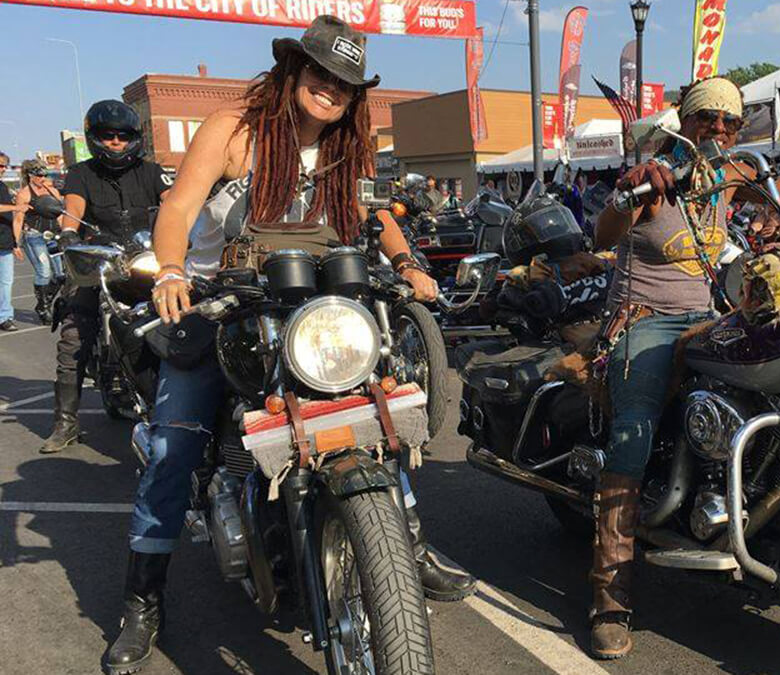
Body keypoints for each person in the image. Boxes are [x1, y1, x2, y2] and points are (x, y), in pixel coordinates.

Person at [102, 17, 473, 674]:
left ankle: (404, 545)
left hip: (317, 308)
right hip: (229, 302)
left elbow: (375, 214)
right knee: (173, 445)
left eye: (345, 83)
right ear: (295, 70)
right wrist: (167, 270)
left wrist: (408, 262)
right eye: (322, 73)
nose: (330, 88)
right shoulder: (235, 129)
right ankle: (142, 600)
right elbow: (178, 209)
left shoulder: (346, 148)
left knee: (384, 411)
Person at [588, 76, 780, 660]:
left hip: (710, 314)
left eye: (730, 123)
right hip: (646, 318)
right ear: (687, 120)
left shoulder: (729, 176)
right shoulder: (655, 176)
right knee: (633, 436)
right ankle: (610, 597)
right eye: (709, 120)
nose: (721, 131)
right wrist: (630, 194)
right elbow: (605, 233)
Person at [39, 100, 172, 454]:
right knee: (74, 332)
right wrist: (69, 233)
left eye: (122, 136)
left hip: (146, 260)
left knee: (180, 318)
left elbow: (175, 202)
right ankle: (65, 423)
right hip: (100, 261)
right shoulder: (82, 174)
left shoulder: (152, 171)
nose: (115, 142)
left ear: (134, 138)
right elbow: (73, 211)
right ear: (94, 137)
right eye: (107, 136)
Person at [13, 159, 65, 324]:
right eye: (40, 175)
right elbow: (18, 219)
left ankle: (46, 302)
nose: (43, 178)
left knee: (61, 274)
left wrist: (66, 233)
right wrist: (16, 243)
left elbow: (61, 214)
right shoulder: (24, 194)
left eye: (45, 174)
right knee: (44, 271)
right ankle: (43, 308)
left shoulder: (52, 191)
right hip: (34, 236)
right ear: (31, 176)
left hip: (53, 235)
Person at [0, 151, 28, 331]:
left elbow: (11, 217)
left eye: (3, 165)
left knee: (6, 282)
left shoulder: (2, 187)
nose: (1, 169)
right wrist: (17, 206)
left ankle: (4, 317)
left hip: (4, 242)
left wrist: (15, 244)